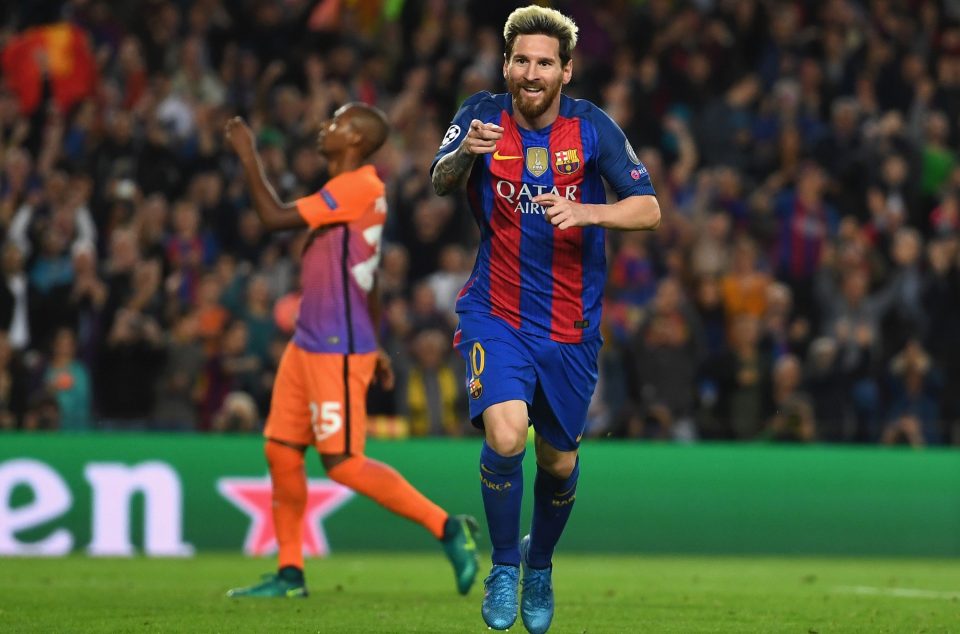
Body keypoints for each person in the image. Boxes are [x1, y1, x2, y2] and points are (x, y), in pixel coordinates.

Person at [431, 6, 660, 633]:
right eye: (522, 60)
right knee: (506, 437)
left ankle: (540, 564)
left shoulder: (593, 130)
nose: (532, 73)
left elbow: (648, 208)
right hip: (496, 312)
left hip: (571, 329)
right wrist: (464, 158)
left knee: (557, 463)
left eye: (544, 63)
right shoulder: (478, 115)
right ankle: (505, 566)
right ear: (506, 64)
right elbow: (439, 180)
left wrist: (590, 214)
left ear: (565, 71)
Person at [223, 103, 479, 598]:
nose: (326, 126)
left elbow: (274, 218)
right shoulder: (348, 192)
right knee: (280, 450)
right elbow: (370, 274)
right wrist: (378, 340)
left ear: (357, 140)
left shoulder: (357, 185)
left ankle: (448, 527)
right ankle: (291, 572)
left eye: (338, 122)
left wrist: (248, 156)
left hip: (336, 347)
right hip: (310, 343)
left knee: (341, 461)